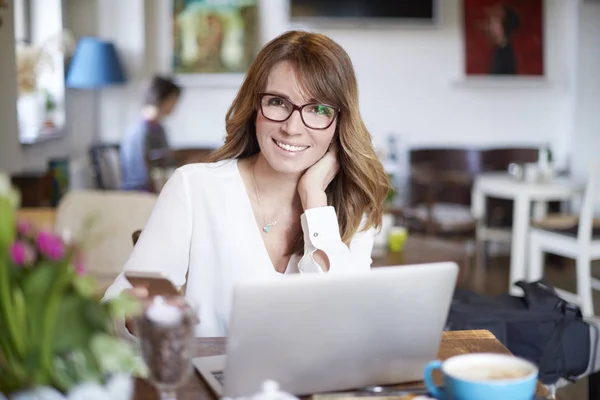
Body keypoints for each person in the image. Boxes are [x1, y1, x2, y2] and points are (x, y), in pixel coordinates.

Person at [104, 31, 391, 337]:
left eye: (318, 109)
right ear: (255, 106)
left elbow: (345, 324)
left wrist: (314, 197)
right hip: (214, 383)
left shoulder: (352, 206)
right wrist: (135, 316)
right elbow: (116, 307)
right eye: (278, 102)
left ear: (339, 122)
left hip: (315, 385)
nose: (292, 128)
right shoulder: (195, 187)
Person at [120, 76, 182, 191]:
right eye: (174, 100)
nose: (175, 105)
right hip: (139, 190)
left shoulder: (159, 128)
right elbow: (139, 174)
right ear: (164, 99)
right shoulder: (139, 131)